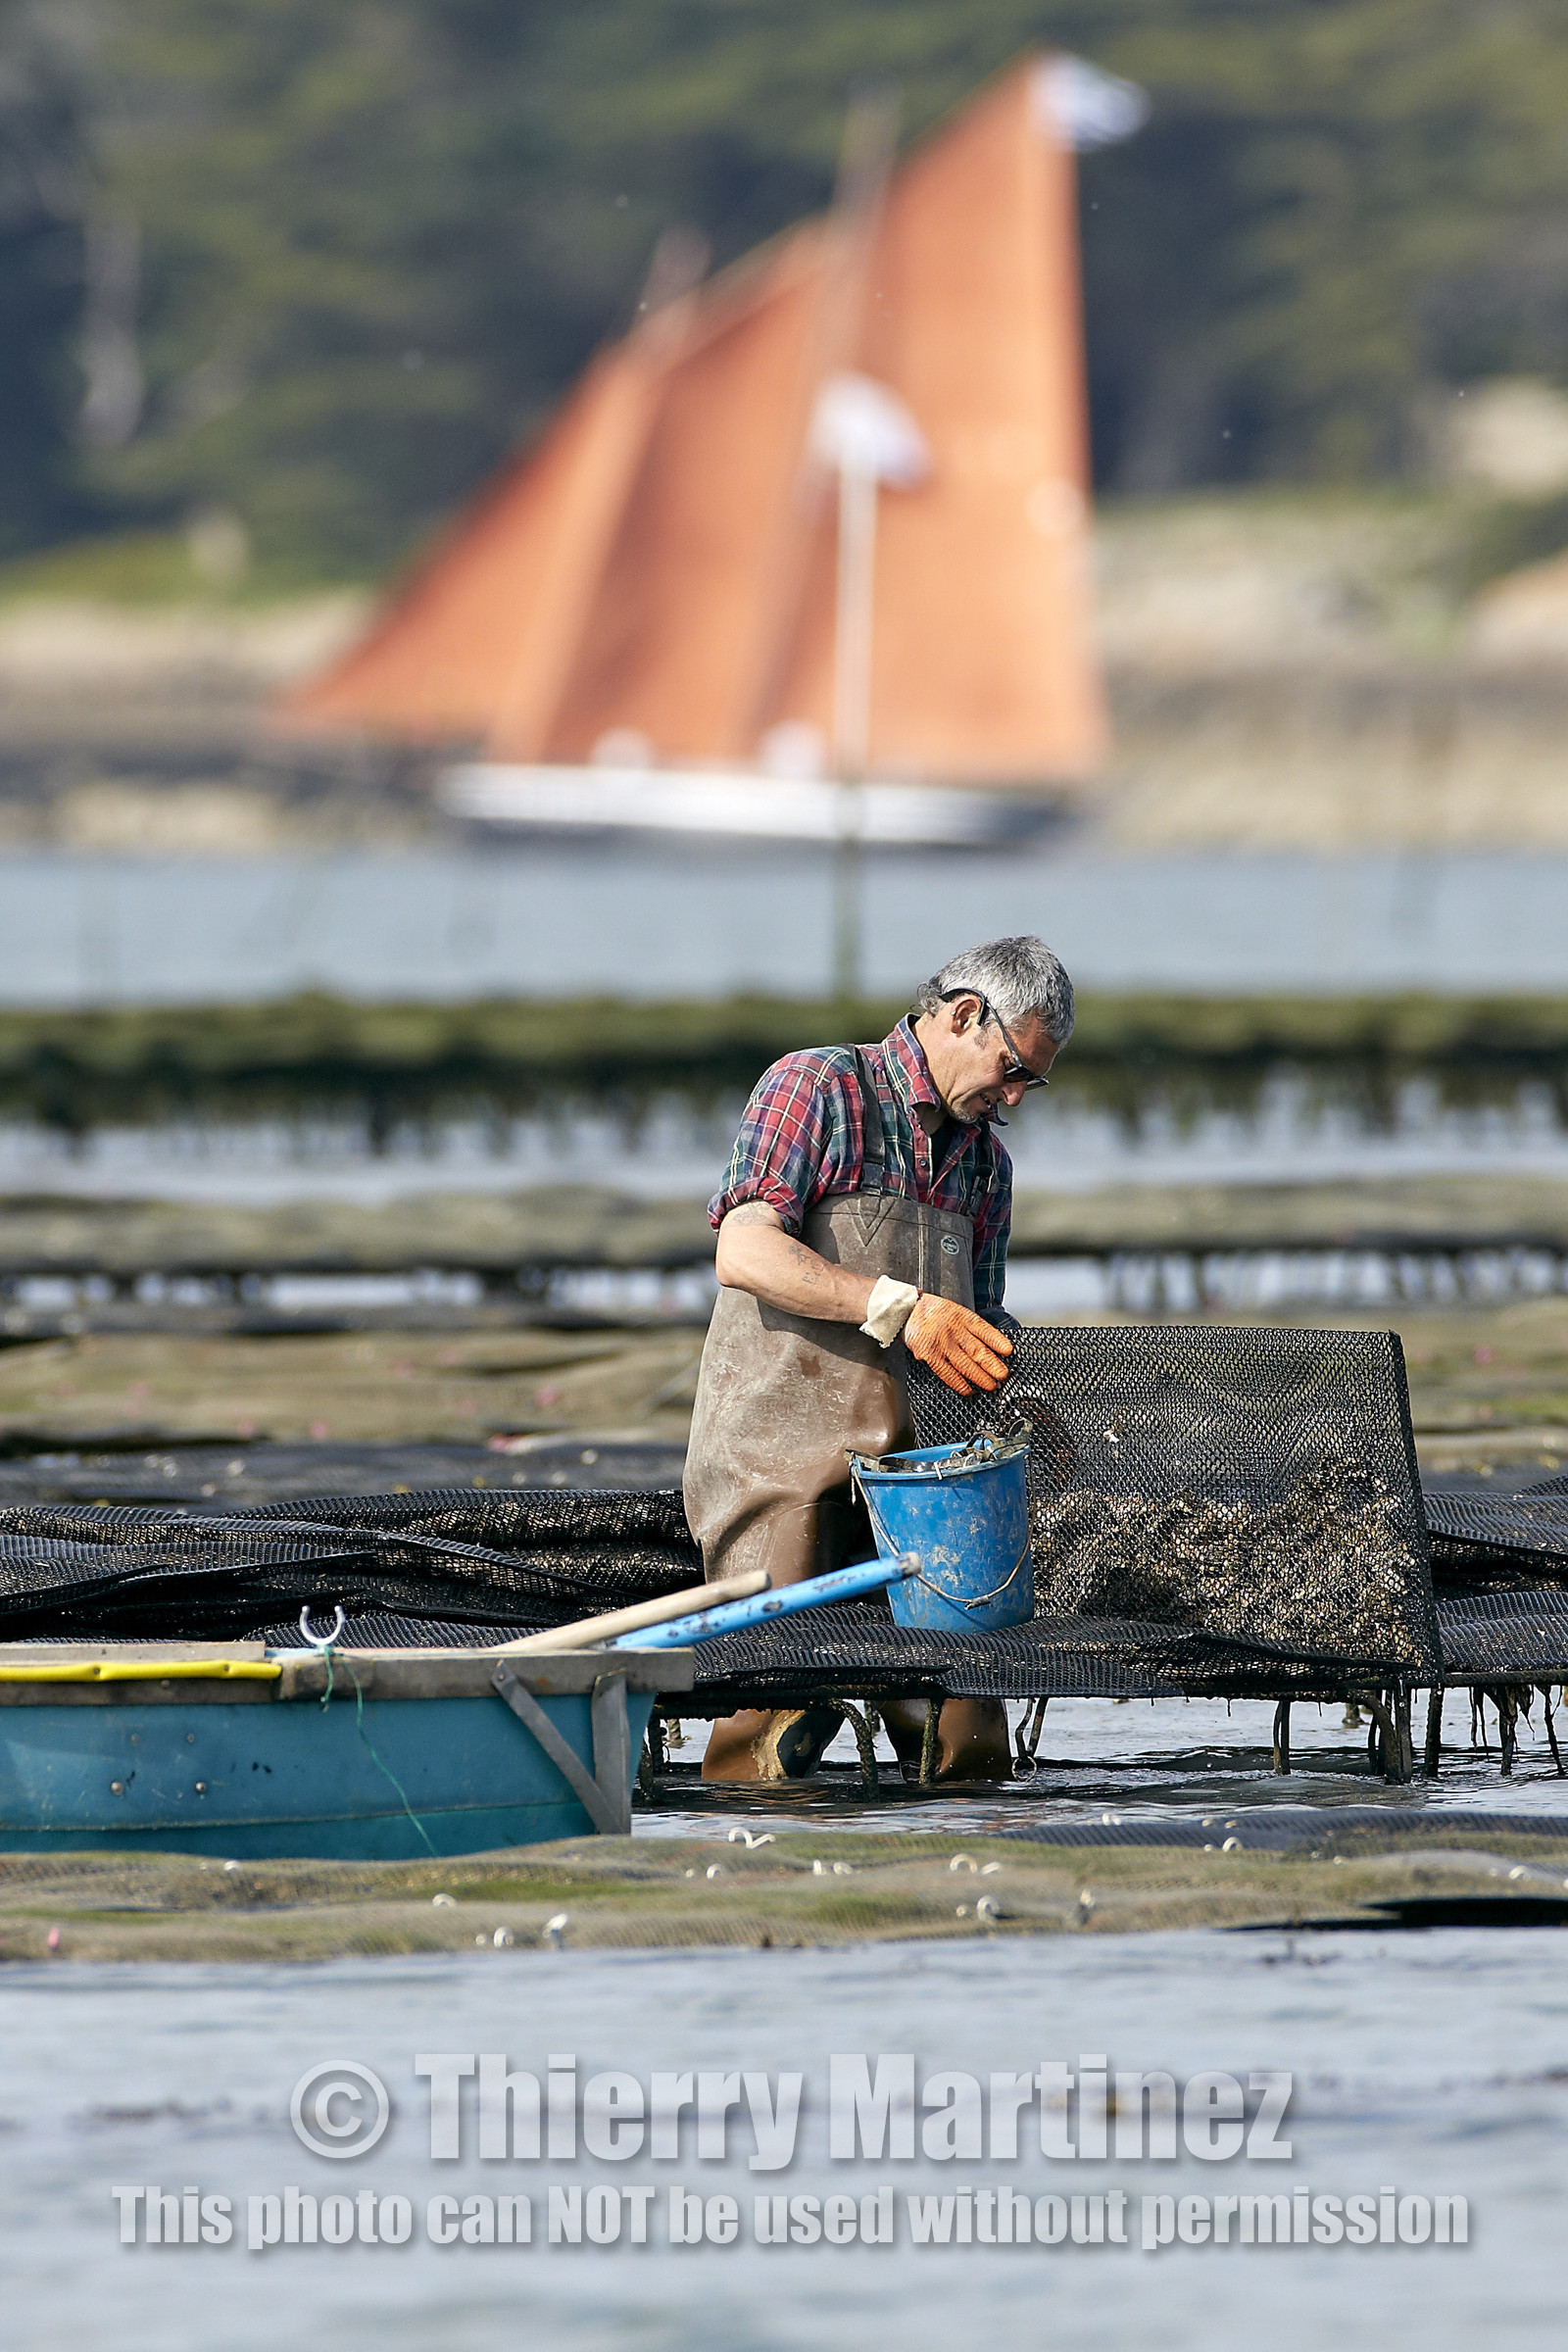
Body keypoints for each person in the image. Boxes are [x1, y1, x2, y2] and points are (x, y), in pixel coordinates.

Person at [683, 934, 1073, 1783]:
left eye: (1030, 1084)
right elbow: (743, 1252)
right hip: (775, 1466)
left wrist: (1021, 1399)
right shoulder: (818, 1087)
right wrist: (898, 1306)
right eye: (1014, 1070)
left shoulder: (985, 1165)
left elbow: (979, 1328)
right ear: (966, 1014)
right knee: (774, 1735)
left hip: (917, 1492)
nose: (1014, 1097)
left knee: (965, 1743)